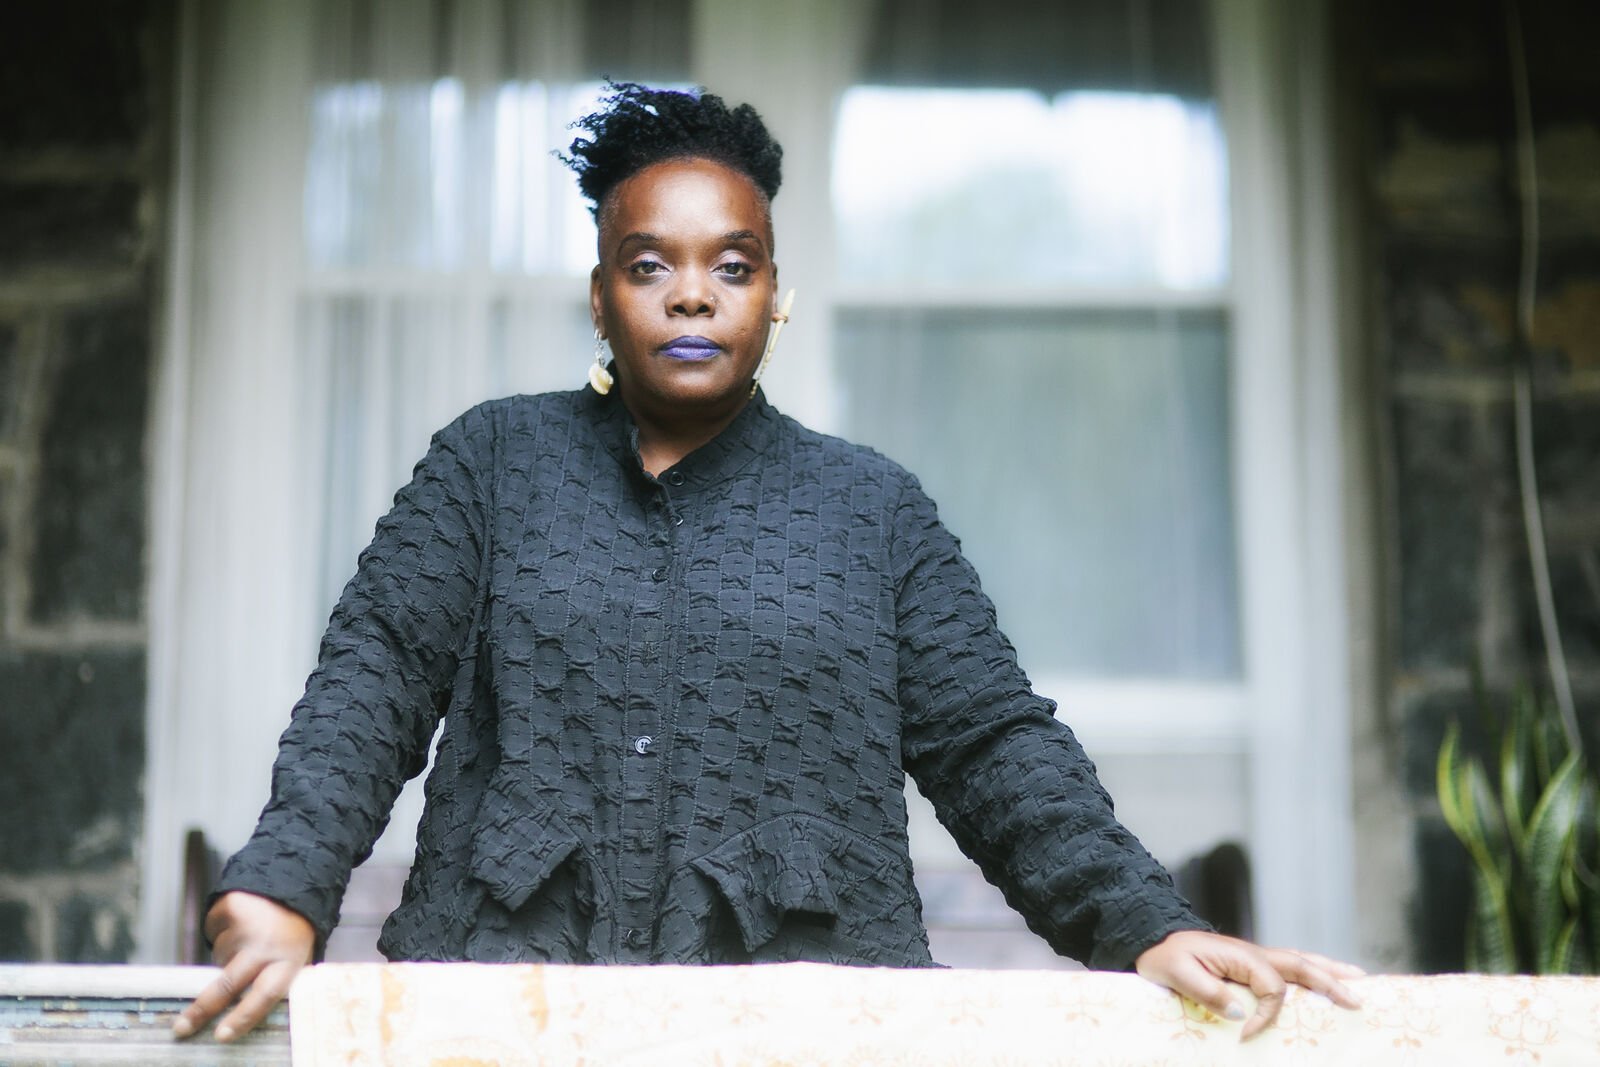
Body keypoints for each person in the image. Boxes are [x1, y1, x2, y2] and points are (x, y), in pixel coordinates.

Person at [175, 83, 1362, 1045]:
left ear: (775, 295)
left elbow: (996, 742)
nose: (692, 291)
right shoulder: (493, 461)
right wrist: (286, 882)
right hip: (506, 1005)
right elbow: (373, 675)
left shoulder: (870, 508)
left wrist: (1143, 923)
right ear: (601, 296)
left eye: (731, 264)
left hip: (807, 1019)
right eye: (649, 264)